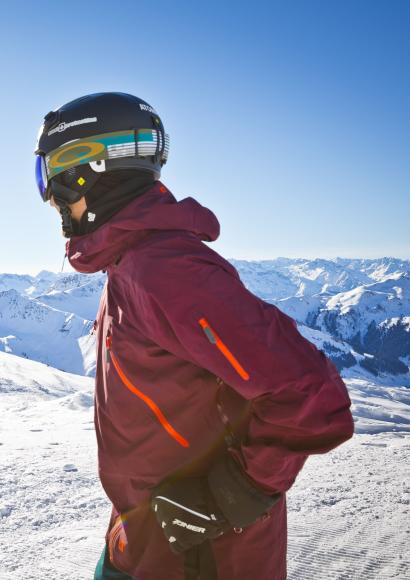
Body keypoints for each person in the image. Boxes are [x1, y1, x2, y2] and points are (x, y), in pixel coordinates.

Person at [34, 92, 354, 579]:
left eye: (50, 176)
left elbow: (312, 397)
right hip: (144, 533)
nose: (51, 197)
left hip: (204, 556)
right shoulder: (128, 263)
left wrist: (231, 496)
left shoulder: (166, 271)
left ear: (90, 169)